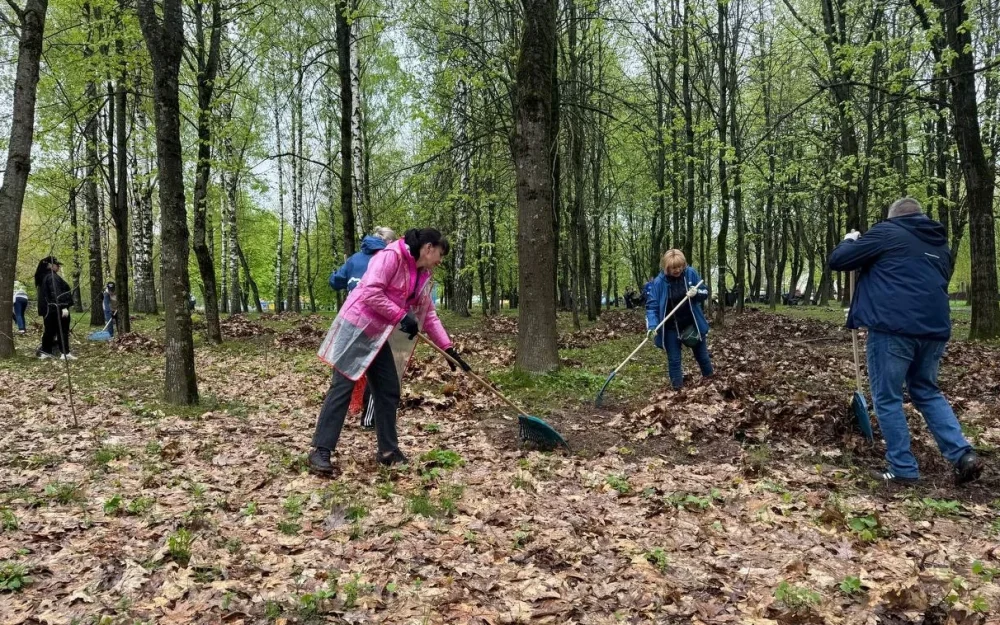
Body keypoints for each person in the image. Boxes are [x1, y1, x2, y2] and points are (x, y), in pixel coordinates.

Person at [829, 197, 983, 486]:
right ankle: (962, 455)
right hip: (934, 329)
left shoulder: (886, 232)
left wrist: (849, 240)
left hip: (893, 328)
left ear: (893, 217)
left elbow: (839, 260)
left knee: (888, 397)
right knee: (926, 390)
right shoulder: (940, 245)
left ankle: (903, 469)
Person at [309, 228, 471, 476]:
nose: (439, 261)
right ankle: (321, 450)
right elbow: (370, 291)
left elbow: (428, 314)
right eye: (439, 254)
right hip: (357, 326)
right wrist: (400, 315)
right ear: (428, 248)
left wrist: (448, 347)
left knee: (388, 389)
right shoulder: (390, 256)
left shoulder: (423, 274)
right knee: (343, 386)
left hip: (379, 334)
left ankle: (387, 451)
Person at [329, 227, 397, 429]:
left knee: (344, 377)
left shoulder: (354, 259)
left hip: (350, 323)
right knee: (377, 376)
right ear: (388, 242)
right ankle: (368, 420)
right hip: (375, 325)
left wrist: (344, 272)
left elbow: (334, 282)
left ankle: (331, 432)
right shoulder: (388, 259)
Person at [646, 250, 712, 390]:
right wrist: (652, 326)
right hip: (671, 327)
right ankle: (678, 391)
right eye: (673, 267)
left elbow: (704, 292)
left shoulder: (690, 273)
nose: (677, 270)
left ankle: (711, 384)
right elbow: (652, 306)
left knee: (702, 356)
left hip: (692, 323)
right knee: (674, 361)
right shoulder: (659, 282)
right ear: (666, 267)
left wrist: (696, 293)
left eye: (679, 266)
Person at [33, 256, 75, 360]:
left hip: (49, 310)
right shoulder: (52, 277)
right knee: (62, 330)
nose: (59, 267)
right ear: (49, 265)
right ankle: (65, 353)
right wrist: (64, 307)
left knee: (49, 331)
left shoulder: (44, 277)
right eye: (57, 265)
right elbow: (56, 294)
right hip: (56, 308)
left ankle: (45, 352)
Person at [330, 227, 397, 291]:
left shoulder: (354, 259)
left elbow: (334, 281)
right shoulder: (391, 261)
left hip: (355, 301)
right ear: (390, 242)